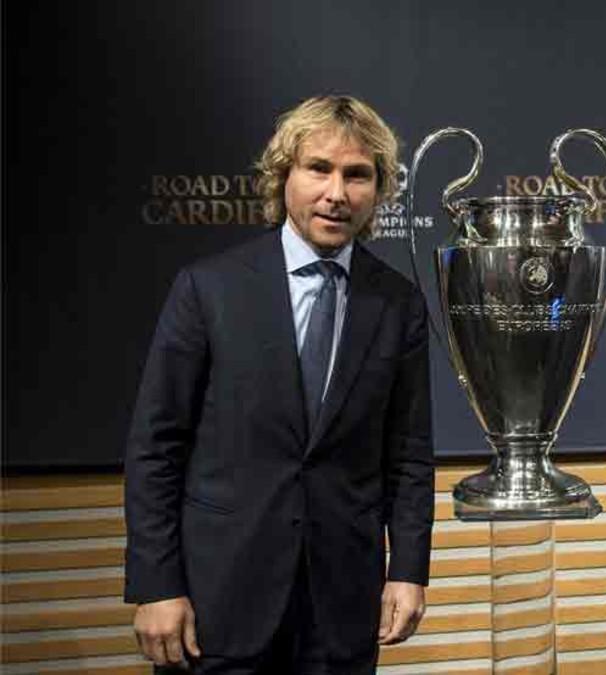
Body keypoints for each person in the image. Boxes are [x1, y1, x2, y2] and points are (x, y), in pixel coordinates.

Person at [124, 95, 434, 674]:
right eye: (319, 168)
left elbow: (409, 455)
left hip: (341, 607)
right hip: (217, 605)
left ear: (379, 189)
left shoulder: (399, 304)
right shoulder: (208, 289)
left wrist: (409, 570)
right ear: (283, 174)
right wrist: (155, 584)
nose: (336, 193)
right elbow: (155, 447)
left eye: (357, 175)